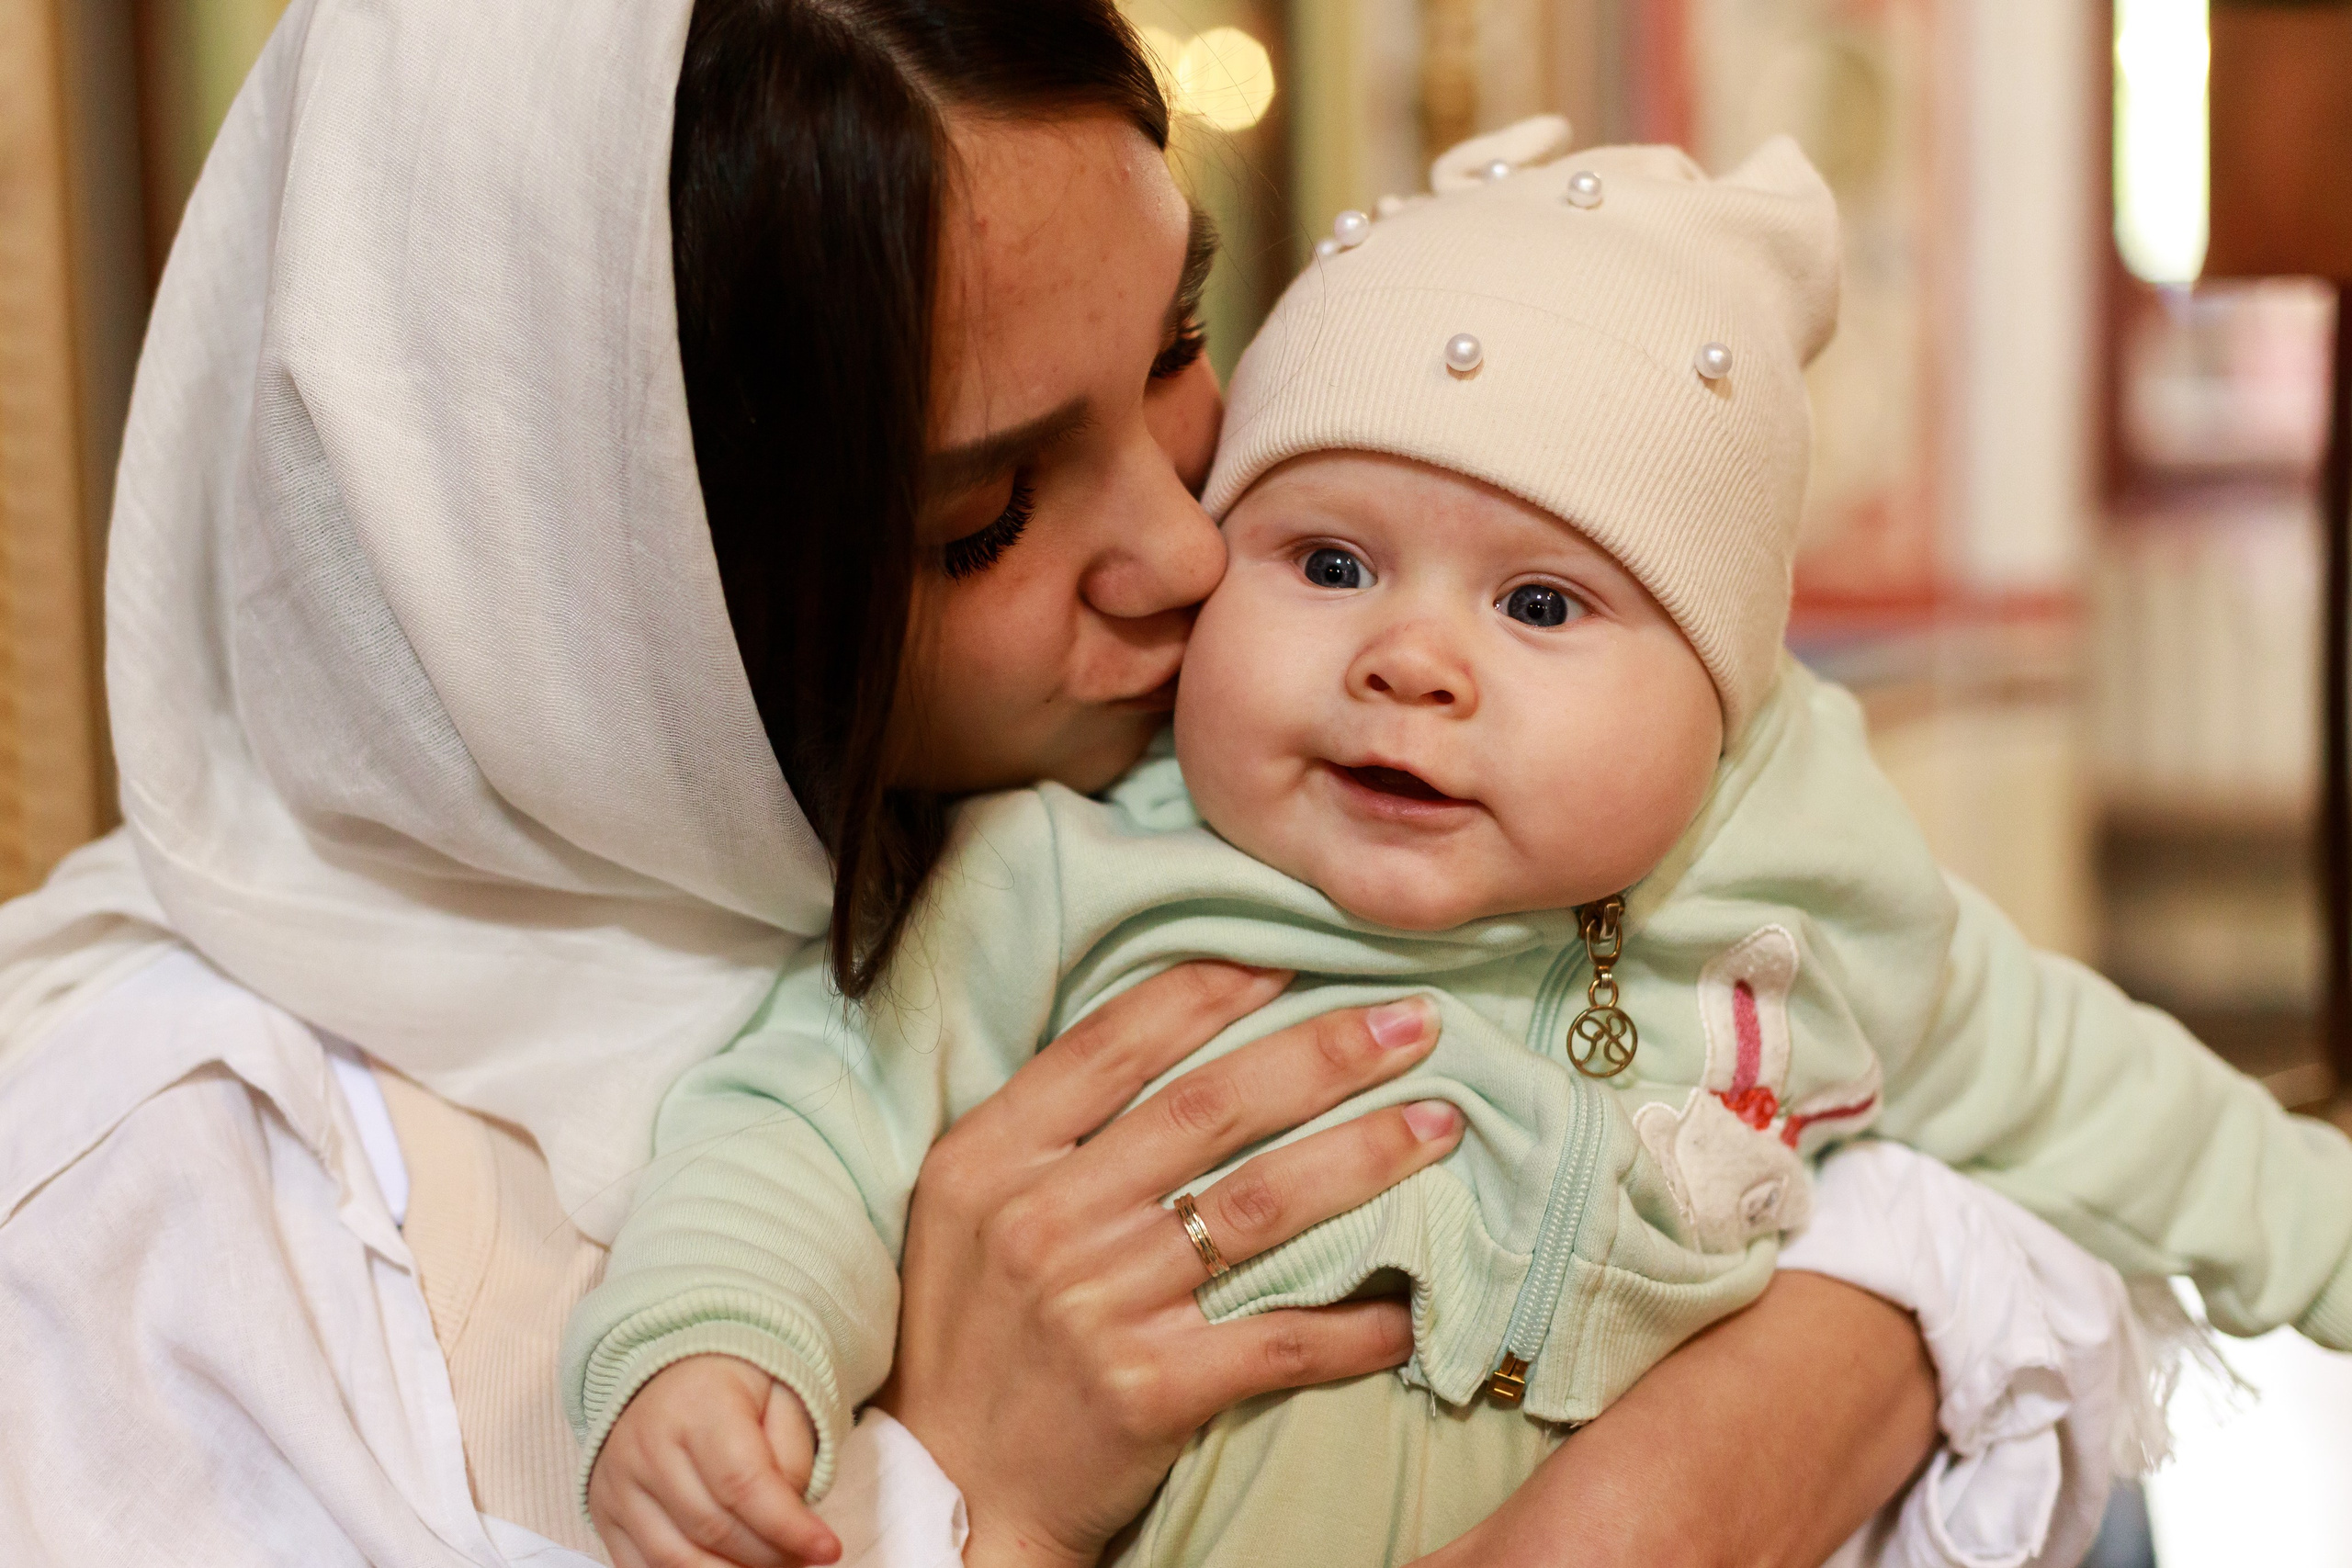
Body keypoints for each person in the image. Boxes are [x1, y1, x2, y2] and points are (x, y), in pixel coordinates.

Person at [0, 0, 2108, 1562]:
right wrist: (968, 1481)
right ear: (579, 594)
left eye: (1179, 348)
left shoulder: (1209, 808)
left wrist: (1746, 1412)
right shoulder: (160, 1194)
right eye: (979, 521)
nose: (1189, 551)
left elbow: (1964, 1153)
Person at [568, 123, 2352, 1568]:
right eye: (1325, 559)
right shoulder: (1068, 871)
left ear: (1720, 693)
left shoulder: (1811, 906)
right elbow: (802, 1107)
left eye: (1539, 599)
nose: (1406, 657)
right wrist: (711, 1343)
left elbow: (2130, 1109)